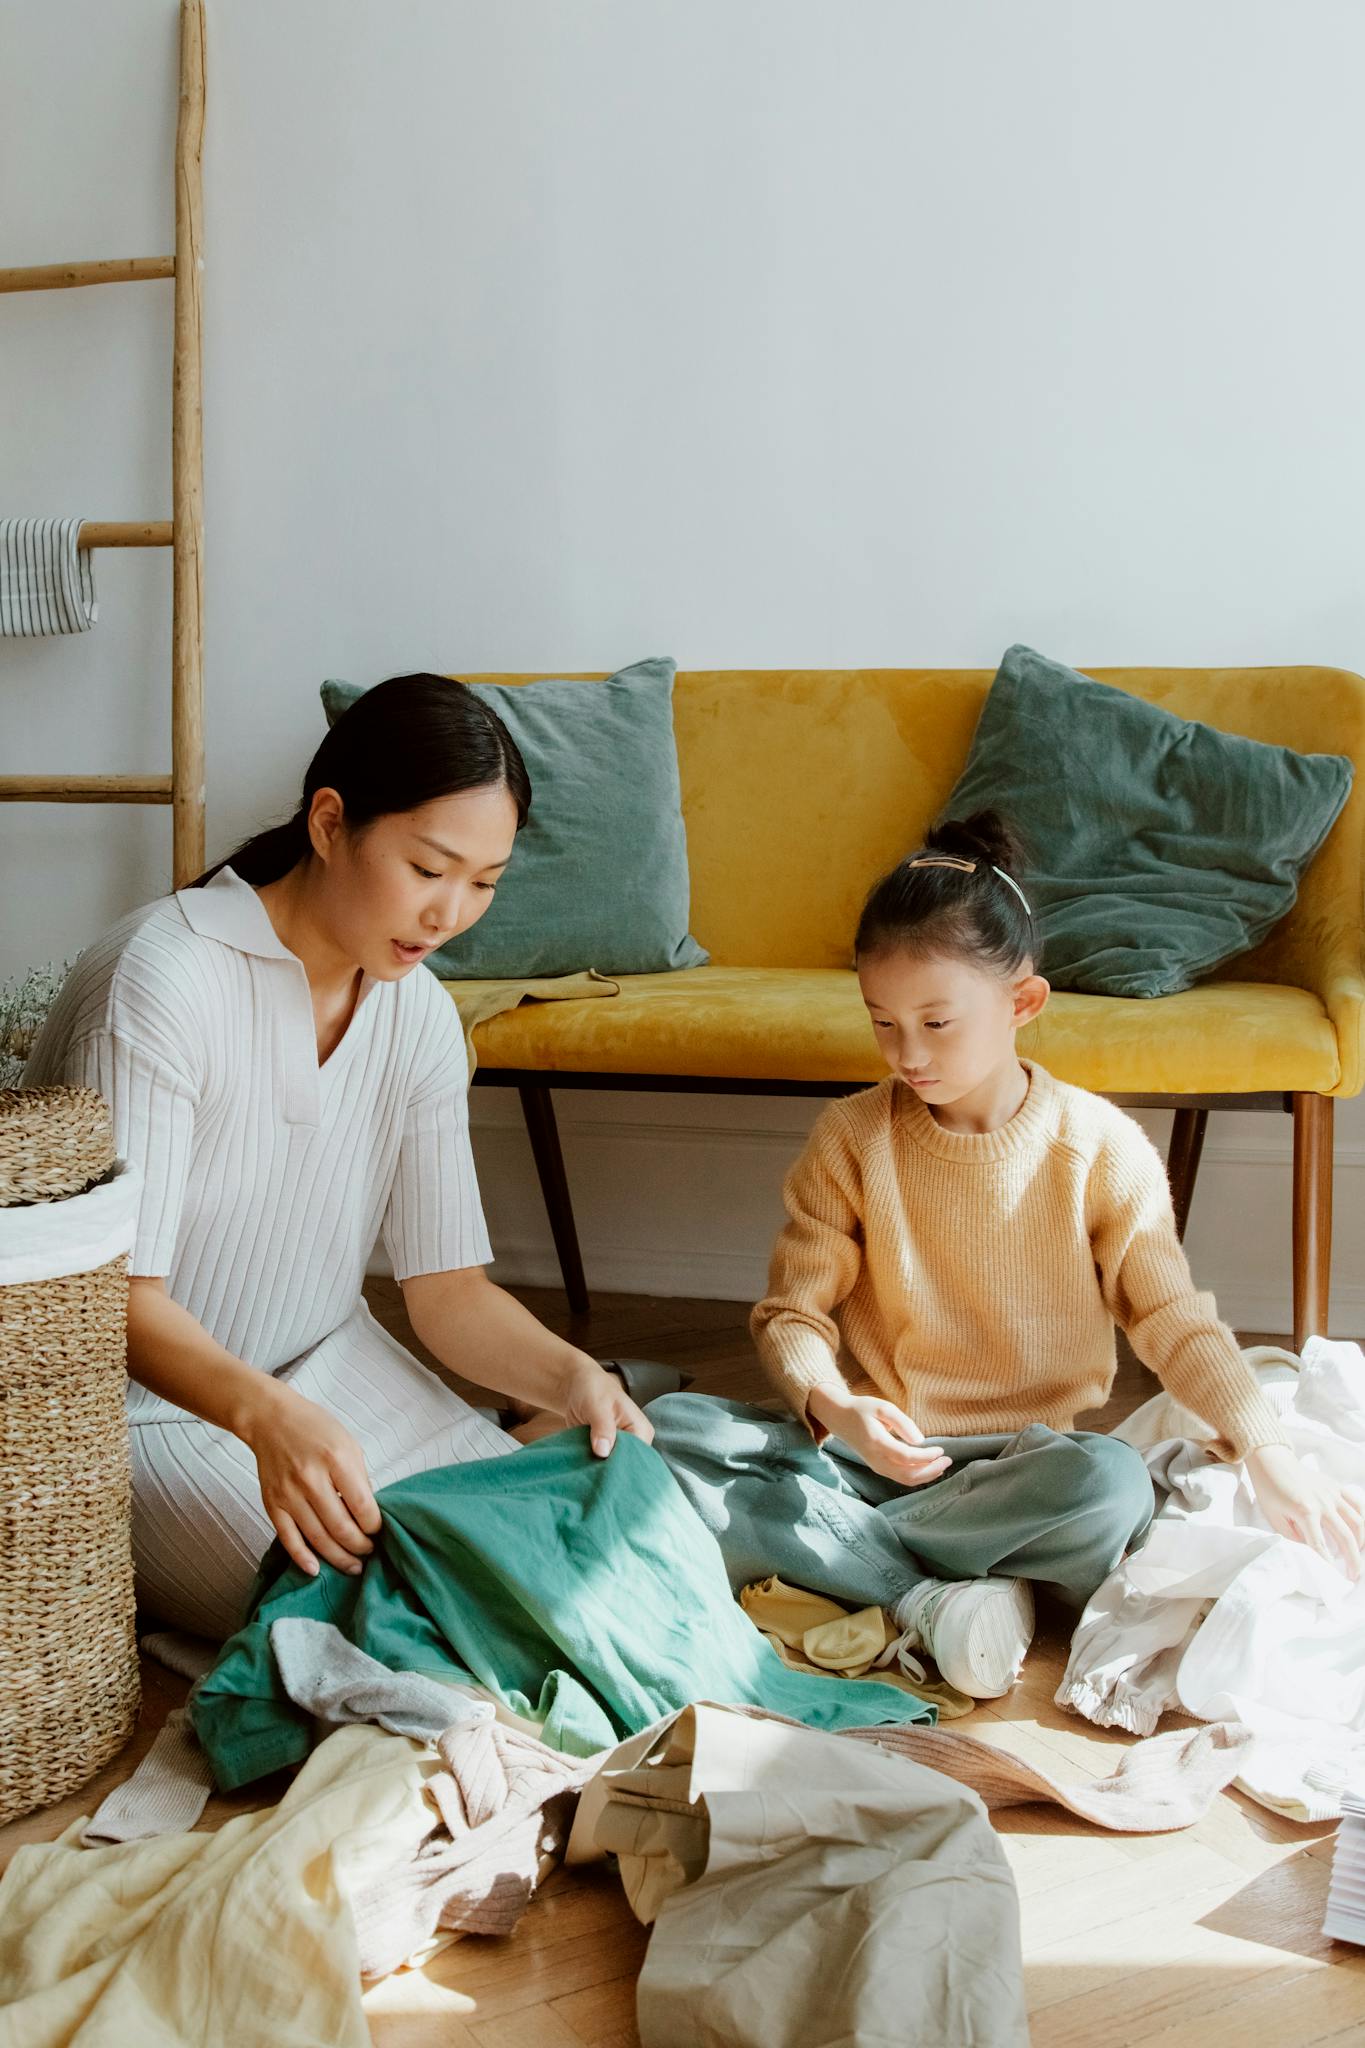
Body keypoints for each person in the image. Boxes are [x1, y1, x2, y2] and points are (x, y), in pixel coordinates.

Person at [648, 810, 1365, 1699]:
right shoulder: (850, 1136)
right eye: (882, 1023)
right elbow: (791, 1313)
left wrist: (1264, 1448)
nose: (906, 1053)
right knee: (675, 1435)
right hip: (879, 1461)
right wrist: (834, 1406)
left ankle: (883, 1576)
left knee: (1110, 1484)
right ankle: (944, 1594)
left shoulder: (1099, 1147)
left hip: (1030, 1470)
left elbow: (1173, 1319)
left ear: (1022, 1003)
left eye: (936, 1022)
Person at [26, 675, 651, 1640]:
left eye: (484, 882)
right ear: (329, 822)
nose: (450, 914)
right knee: (390, 1614)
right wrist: (267, 1418)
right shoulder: (162, 980)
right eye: (429, 868)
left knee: (549, 1560)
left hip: (328, 1362)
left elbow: (446, 1292)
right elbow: (114, 1300)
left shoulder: (419, 1013)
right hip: (132, 1418)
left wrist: (570, 1380)